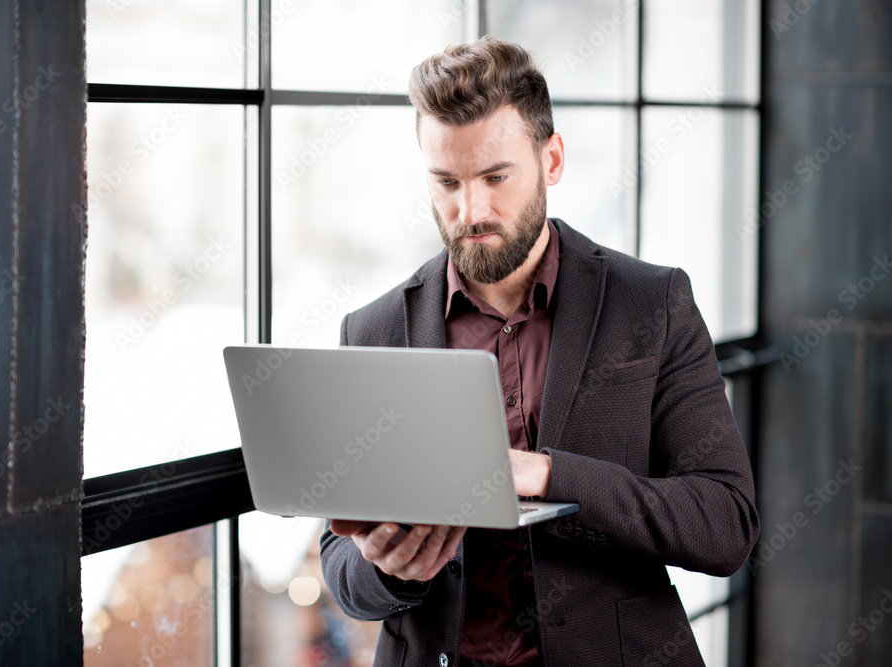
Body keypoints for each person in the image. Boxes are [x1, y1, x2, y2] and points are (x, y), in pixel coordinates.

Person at [319, 36, 759, 667]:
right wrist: (389, 571)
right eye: (446, 182)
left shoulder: (651, 304)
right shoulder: (374, 329)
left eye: (496, 177)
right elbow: (339, 568)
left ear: (551, 159)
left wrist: (550, 475)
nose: (470, 210)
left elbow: (725, 525)